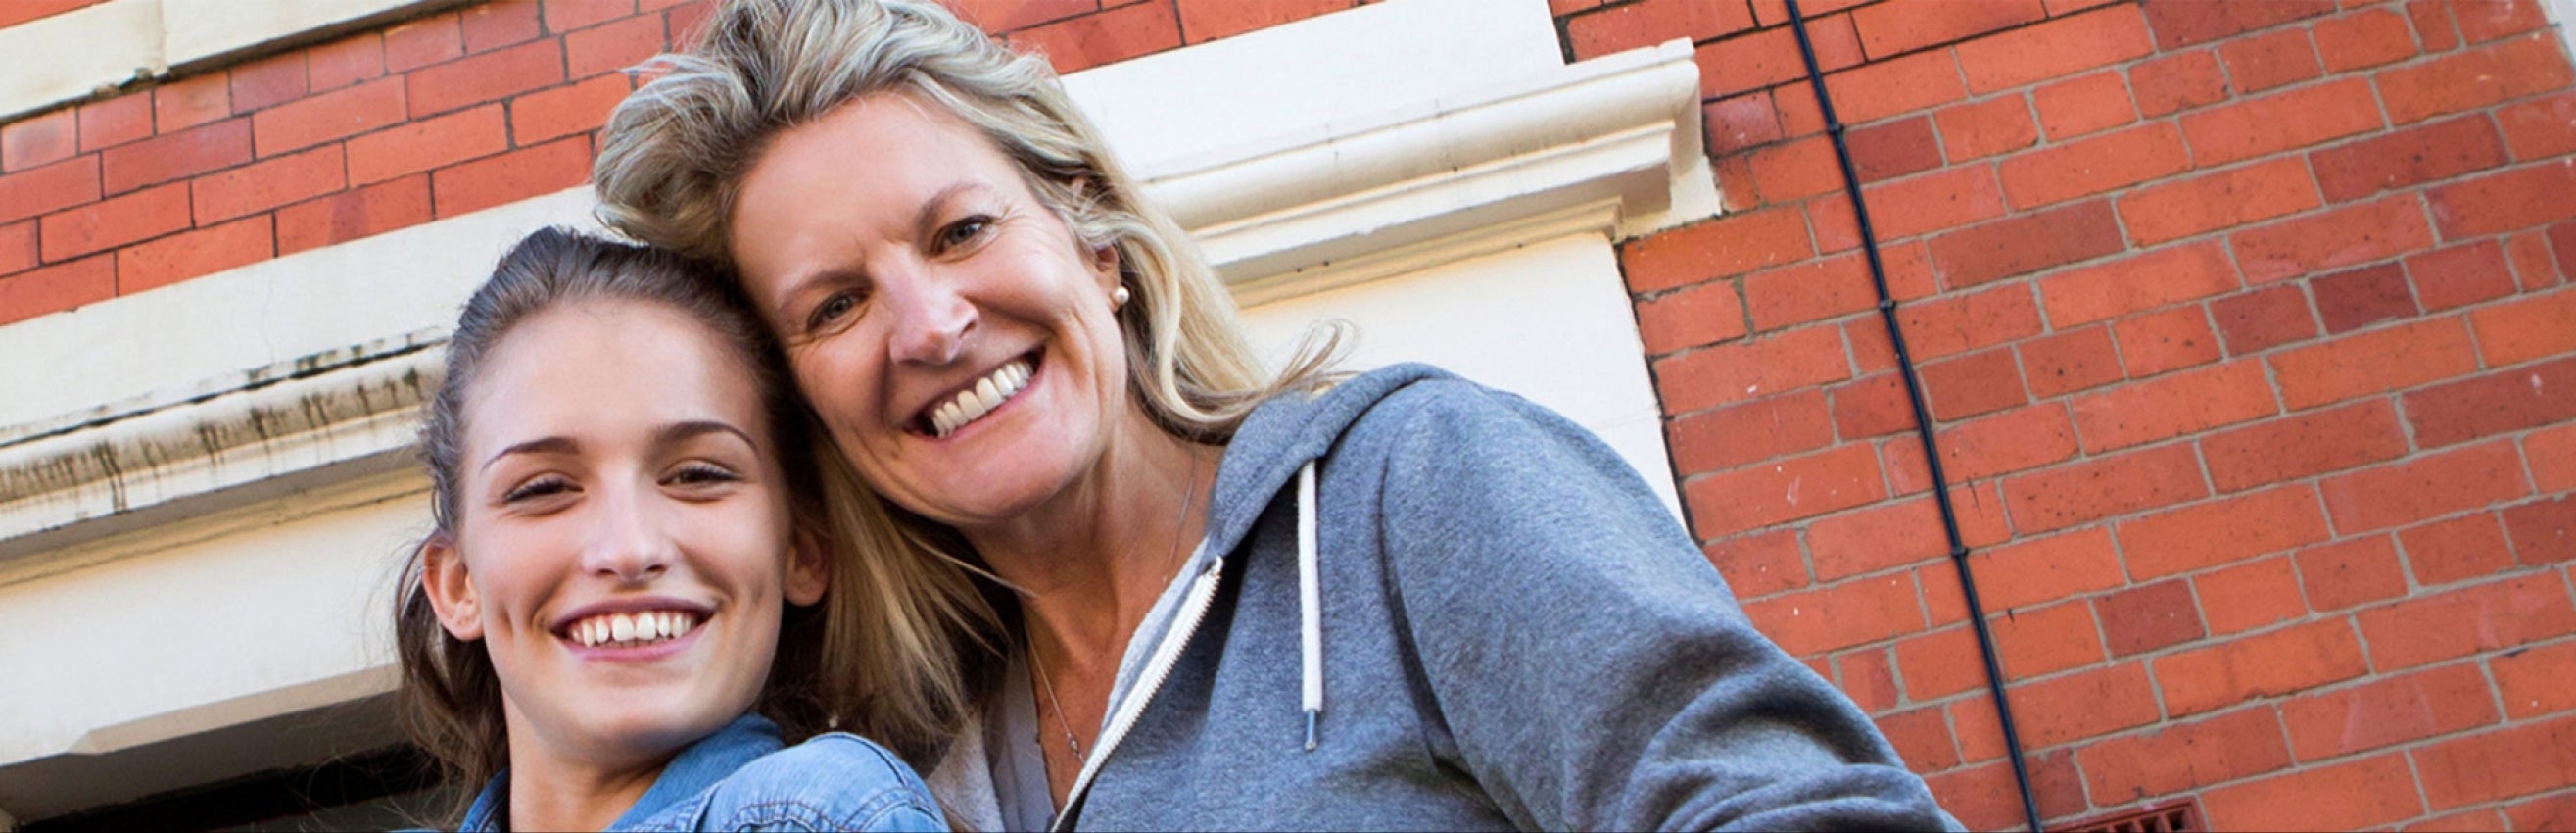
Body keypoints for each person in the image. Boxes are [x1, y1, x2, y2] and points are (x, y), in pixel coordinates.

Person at [593, 1, 1959, 829]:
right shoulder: (906, 774)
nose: (930, 325)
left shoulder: (1405, 490)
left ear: (1097, 245)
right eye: (834, 305)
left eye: (960, 230)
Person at [392, 227, 948, 832]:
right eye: (544, 489)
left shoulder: (815, 813)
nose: (629, 549)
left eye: (697, 475)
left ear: (802, 549)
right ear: (457, 584)